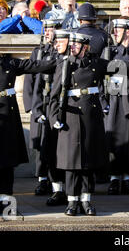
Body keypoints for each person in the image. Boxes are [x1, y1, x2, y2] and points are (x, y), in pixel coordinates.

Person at [0, 30, 56, 217]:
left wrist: (60, 61)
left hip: (7, 122)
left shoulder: (9, 63)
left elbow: (35, 65)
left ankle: (6, 201)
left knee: (6, 163)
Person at [49, 32, 108, 216]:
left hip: (90, 116)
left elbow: (120, 68)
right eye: (71, 44)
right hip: (70, 116)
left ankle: (86, 200)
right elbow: (54, 95)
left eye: (76, 45)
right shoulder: (65, 65)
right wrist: (54, 118)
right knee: (72, 161)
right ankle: (72, 200)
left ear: (85, 47)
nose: (72, 47)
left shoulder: (96, 64)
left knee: (88, 162)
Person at [23, 20, 63, 198]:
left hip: (57, 102)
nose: (47, 32)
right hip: (41, 103)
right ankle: (42, 179)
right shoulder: (38, 52)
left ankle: (56, 180)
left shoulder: (63, 51)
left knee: (56, 143)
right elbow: (30, 80)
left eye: (51, 29)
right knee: (40, 143)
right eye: (45, 29)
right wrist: (32, 107)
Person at [102, 18, 129, 196]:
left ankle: (128, 177)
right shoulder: (109, 51)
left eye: (118, 29)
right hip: (113, 100)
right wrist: (103, 101)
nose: (115, 33)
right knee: (113, 141)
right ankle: (114, 178)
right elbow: (100, 77)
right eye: (113, 30)